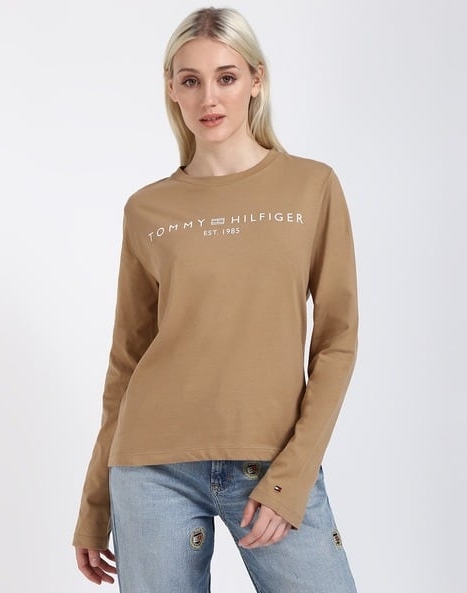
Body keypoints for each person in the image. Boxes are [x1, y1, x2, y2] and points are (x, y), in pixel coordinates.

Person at [73, 6, 359, 592]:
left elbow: (337, 342)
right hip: (151, 468)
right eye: (191, 80)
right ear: (171, 89)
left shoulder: (312, 186)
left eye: (226, 77)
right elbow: (126, 362)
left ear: (256, 80)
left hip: (271, 458)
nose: (209, 97)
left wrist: (293, 475)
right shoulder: (147, 209)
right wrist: (94, 504)